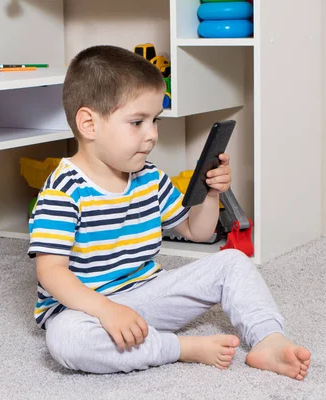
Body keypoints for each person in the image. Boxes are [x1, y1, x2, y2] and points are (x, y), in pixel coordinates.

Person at [28, 45, 311, 379]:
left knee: (233, 262)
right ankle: (179, 348)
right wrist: (107, 310)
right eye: (137, 122)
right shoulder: (63, 190)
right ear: (89, 124)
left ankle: (268, 339)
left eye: (155, 120)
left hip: (147, 295)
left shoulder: (149, 177)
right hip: (86, 311)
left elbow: (198, 232)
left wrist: (210, 194)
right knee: (67, 341)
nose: (152, 135)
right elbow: (52, 272)